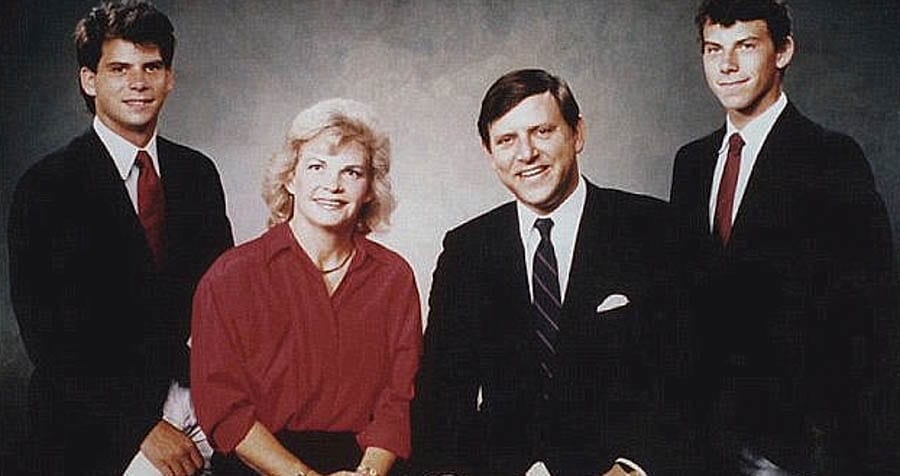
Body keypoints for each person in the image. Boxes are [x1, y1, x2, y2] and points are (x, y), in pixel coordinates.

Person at [412, 69, 687, 476]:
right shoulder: (467, 249)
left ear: (577, 134)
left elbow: (685, 373)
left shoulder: (653, 229)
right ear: (489, 153)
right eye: (507, 140)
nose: (526, 154)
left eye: (542, 132)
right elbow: (441, 392)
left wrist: (632, 467)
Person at [669, 0, 899, 473]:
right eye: (713, 49)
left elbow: (868, 321)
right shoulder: (691, 163)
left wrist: (816, 456)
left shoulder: (830, 158)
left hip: (796, 448)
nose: (727, 65)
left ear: (783, 51)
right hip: (700, 444)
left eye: (745, 46)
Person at [7, 1, 234, 474]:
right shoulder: (47, 186)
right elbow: (48, 342)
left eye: (152, 67)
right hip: (97, 424)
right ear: (89, 80)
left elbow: (225, 301)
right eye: (119, 69)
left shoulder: (196, 174)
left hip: (197, 399)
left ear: (169, 79)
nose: (138, 82)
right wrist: (140, 426)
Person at [191, 98, 422, 476]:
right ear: (290, 178)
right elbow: (223, 408)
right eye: (317, 167)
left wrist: (367, 474)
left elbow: (398, 400)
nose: (333, 185)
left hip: (365, 465)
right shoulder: (231, 277)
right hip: (261, 464)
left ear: (369, 189)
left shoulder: (393, 278)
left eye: (351, 172)